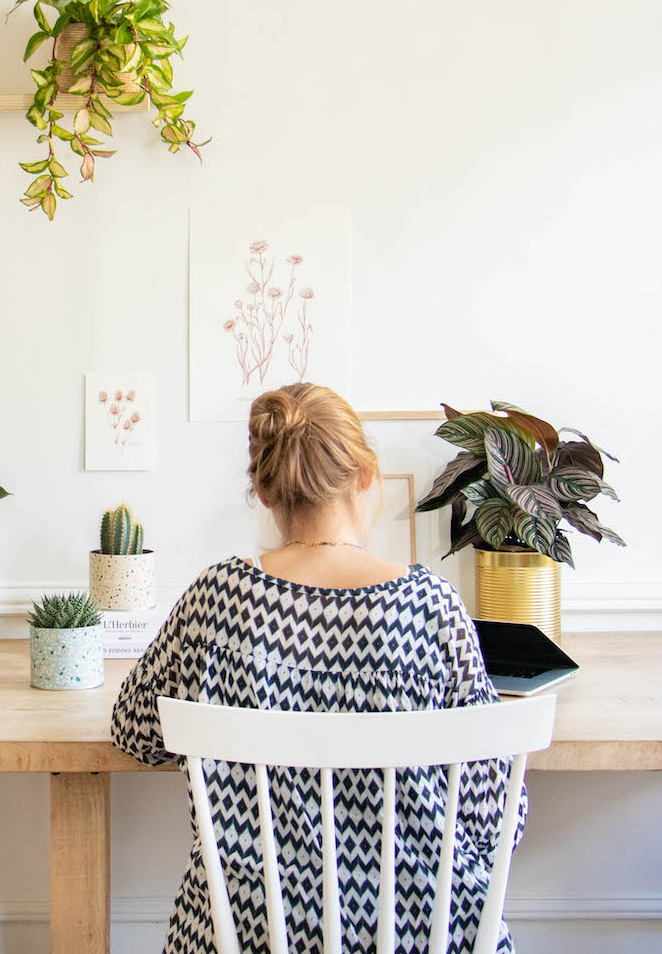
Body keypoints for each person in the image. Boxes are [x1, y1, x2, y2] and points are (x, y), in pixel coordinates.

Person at [110, 382, 526, 954]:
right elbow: (493, 816)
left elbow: (134, 731)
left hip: (251, 931)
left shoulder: (217, 596)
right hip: (418, 932)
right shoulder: (431, 607)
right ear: (366, 475)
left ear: (262, 490)